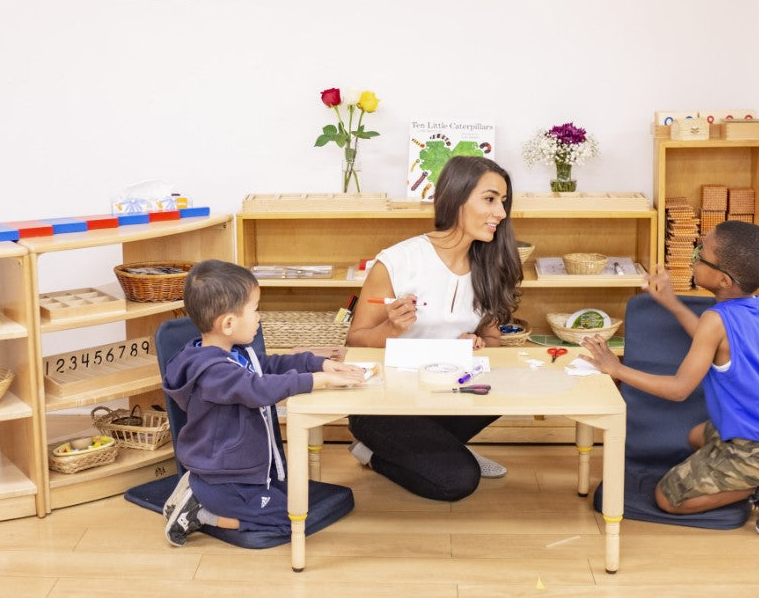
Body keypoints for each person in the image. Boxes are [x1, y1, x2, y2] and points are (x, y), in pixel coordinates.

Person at [581, 220, 759, 538]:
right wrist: (670, 302)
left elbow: (679, 390)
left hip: (757, 448)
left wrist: (616, 368)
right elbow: (709, 341)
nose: (693, 258)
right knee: (695, 437)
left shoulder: (715, 320)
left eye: (700, 253)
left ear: (723, 279)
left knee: (668, 498)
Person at [345, 155, 523, 500]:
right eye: (489, 199)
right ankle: (388, 452)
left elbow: (492, 340)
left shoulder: (491, 265)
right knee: (458, 481)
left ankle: (441, 448)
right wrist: (390, 330)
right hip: (385, 405)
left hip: (445, 395)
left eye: (503, 202)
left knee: (505, 387)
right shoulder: (398, 261)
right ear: (457, 198)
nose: (500, 213)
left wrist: (479, 342)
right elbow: (355, 339)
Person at [160, 259, 365, 546]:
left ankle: (198, 495)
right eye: (255, 310)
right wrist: (318, 380)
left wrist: (319, 363)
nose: (259, 317)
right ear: (229, 323)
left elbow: (270, 366)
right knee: (290, 520)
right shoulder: (213, 372)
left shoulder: (238, 353)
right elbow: (257, 388)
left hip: (243, 473)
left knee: (292, 507)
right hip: (227, 481)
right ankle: (200, 513)